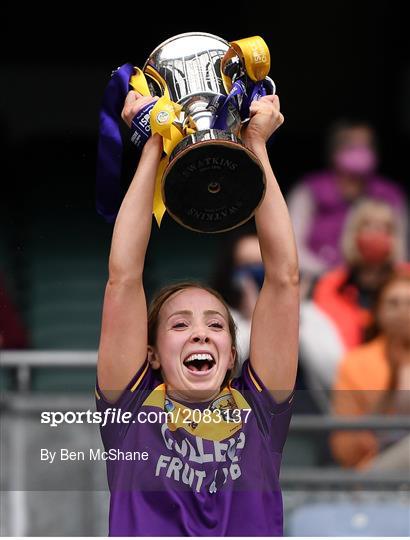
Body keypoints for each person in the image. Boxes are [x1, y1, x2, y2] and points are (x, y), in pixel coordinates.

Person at [95, 91, 299, 536]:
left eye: (214, 324)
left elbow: (283, 278)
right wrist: (153, 143)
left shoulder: (260, 413)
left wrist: (255, 146)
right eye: (180, 324)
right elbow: (124, 279)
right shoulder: (130, 414)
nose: (201, 334)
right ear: (150, 354)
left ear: (231, 354)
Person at [299, 198, 406, 409]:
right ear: (353, 234)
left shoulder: (406, 280)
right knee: (305, 316)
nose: (376, 234)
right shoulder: (328, 284)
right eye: (368, 226)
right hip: (341, 376)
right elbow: (323, 344)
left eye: (385, 228)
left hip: (401, 374)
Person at [287, 120, 407, 286]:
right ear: (334, 150)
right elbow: (291, 245)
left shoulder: (390, 194)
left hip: (377, 283)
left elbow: (401, 251)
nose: (360, 151)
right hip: (315, 281)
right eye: (352, 145)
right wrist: (329, 274)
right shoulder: (309, 190)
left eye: (366, 145)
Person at [330, 270, 410, 471]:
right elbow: (344, 449)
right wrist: (391, 386)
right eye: (393, 303)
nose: (403, 311)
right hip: (376, 470)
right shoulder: (355, 363)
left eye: (409, 303)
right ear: (378, 312)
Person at [210, 222, 262, 367]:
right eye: (246, 265)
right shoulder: (218, 318)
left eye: (260, 265)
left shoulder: (306, 315)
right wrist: (253, 317)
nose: (254, 273)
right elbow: (232, 365)